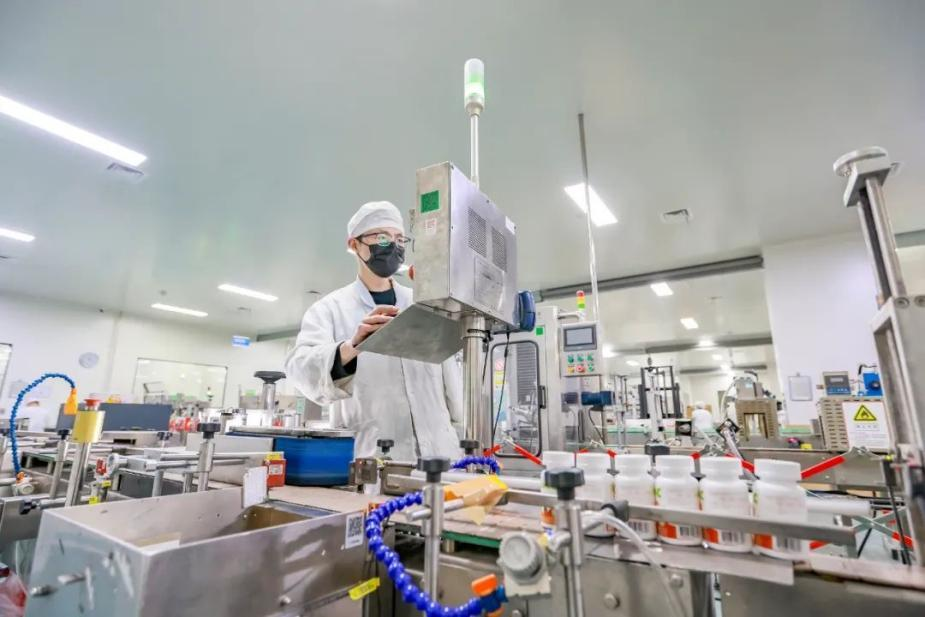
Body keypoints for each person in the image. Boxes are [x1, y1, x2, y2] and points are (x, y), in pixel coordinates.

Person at [285, 201, 462, 461]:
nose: (392, 246)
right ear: (354, 244)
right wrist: (350, 348)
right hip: (372, 458)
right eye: (381, 237)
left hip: (440, 457)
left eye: (399, 239)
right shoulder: (329, 309)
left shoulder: (423, 303)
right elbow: (300, 370)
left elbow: (452, 381)